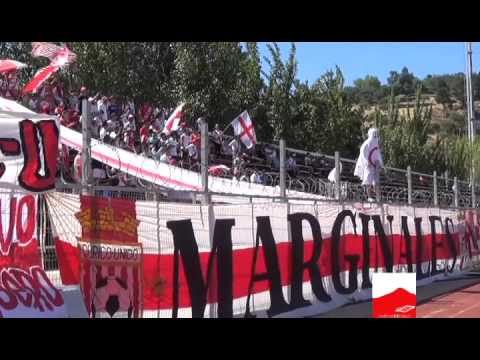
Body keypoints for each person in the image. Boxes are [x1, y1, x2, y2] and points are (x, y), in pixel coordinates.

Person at [354, 127, 385, 202]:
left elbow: (378, 155)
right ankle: (369, 196)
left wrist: (380, 164)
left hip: (375, 165)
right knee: (368, 181)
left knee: (376, 182)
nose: (375, 135)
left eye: (376, 134)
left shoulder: (376, 144)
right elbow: (363, 152)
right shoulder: (367, 143)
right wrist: (367, 161)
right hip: (369, 165)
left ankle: (378, 197)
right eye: (374, 133)